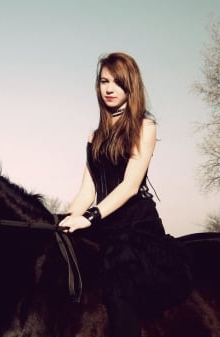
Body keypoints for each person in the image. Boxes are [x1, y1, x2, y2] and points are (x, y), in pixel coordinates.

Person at [59, 52, 193, 337]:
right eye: (103, 81)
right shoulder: (94, 136)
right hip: (104, 225)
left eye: (117, 83)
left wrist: (90, 217)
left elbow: (131, 185)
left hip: (135, 227)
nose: (108, 88)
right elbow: (88, 190)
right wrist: (66, 219)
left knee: (118, 290)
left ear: (130, 86)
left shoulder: (145, 126)